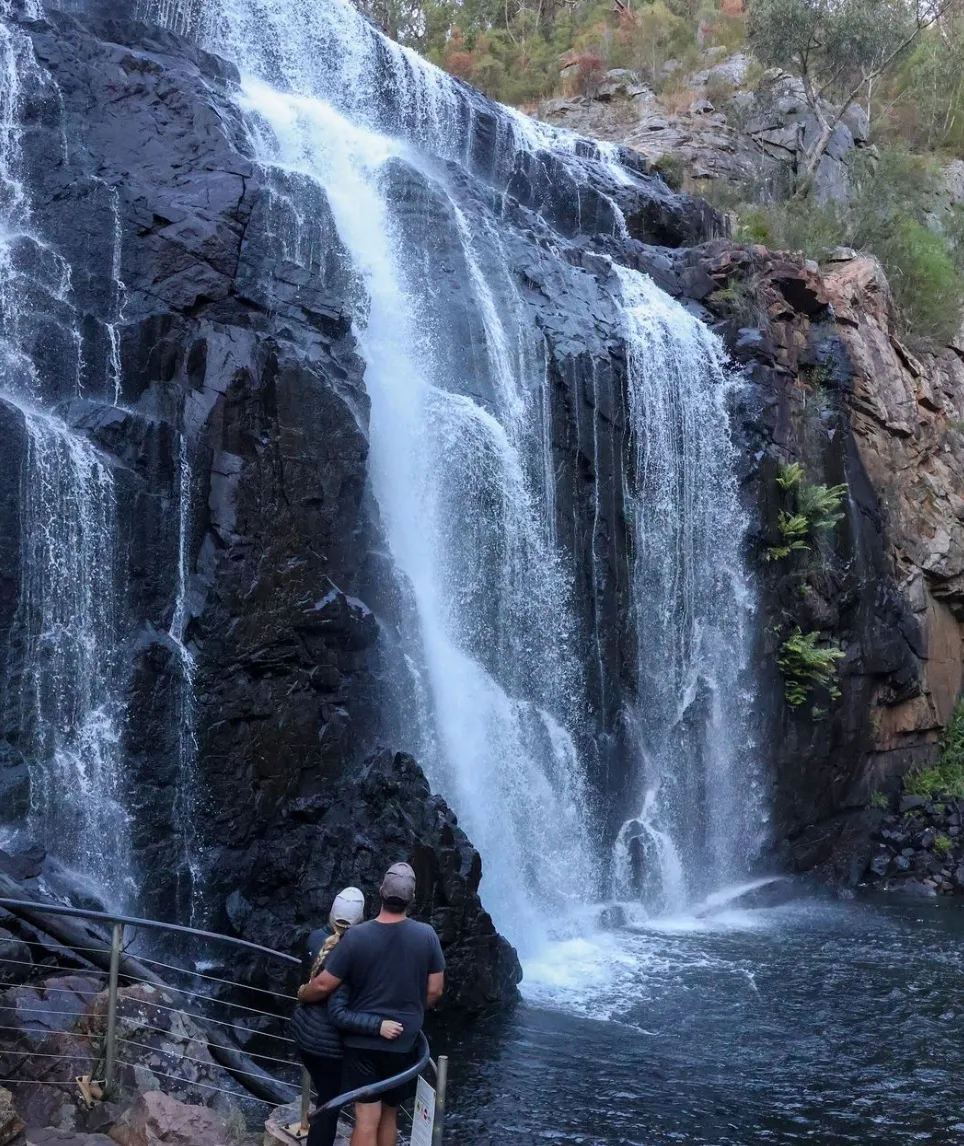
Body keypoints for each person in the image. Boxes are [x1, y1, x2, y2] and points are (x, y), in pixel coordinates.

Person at [298, 862, 445, 1146]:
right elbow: (435, 990)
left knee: (367, 1118)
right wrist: (413, 1010)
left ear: (380, 892)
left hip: (363, 1043)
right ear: (412, 898)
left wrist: (303, 993)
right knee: (390, 1115)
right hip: (403, 1040)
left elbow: (325, 984)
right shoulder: (427, 935)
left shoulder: (357, 936)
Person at [291, 887, 404, 1146]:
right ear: (360, 919)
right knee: (330, 1107)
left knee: (326, 1097)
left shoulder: (314, 939)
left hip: (304, 1034)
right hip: (329, 1045)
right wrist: (378, 1025)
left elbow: (305, 983)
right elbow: (339, 1013)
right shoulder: (353, 953)